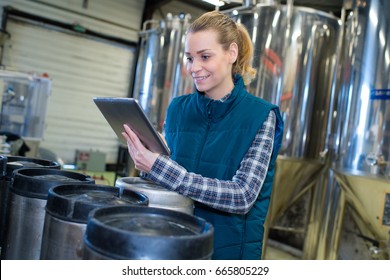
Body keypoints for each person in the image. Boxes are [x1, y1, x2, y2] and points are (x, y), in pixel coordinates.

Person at [122, 10, 283, 260]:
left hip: (227, 253)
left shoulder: (262, 116)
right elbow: (167, 179)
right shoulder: (178, 108)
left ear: (231, 53)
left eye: (205, 57)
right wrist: (149, 162)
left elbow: (242, 196)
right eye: (189, 58)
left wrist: (162, 169)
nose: (194, 68)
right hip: (175, 243)